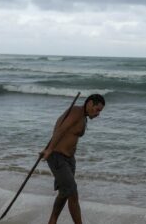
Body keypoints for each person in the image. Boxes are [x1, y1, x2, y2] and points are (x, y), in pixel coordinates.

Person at [40, 93, 105, 224]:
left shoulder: (83, 117)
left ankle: (52, 221)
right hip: (58, 157)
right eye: (97, 109)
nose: (98, 114)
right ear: (90, 103)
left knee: (65, 193)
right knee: (73, 193)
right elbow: (60, 130)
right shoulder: (76, 111)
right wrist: (49, 149)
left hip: (69, 160)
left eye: (100, 111)